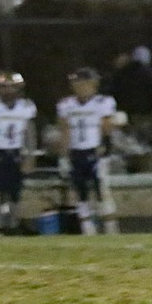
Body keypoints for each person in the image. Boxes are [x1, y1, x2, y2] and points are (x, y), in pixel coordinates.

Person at [56, 67, 119, 235]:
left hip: (96, 150)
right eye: (78, 83)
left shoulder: (103, 102)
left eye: (85, 83)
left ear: (94, 84)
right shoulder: (66, 105)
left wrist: (105, 150)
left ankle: (110, 229)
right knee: (80, 190)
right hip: (76, 151)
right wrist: (63, 156)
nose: (81, 87)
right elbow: (65, 130)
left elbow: (107, 129)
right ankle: (87, 229)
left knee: (101, 189)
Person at [0, 72, 38, 233]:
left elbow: (30, 134)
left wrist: (30, 156)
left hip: (16, 153)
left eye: (11, 87)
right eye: (4, 88)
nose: (8, 91)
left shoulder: (26, 107)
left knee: (15, 192)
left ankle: (12, 225)